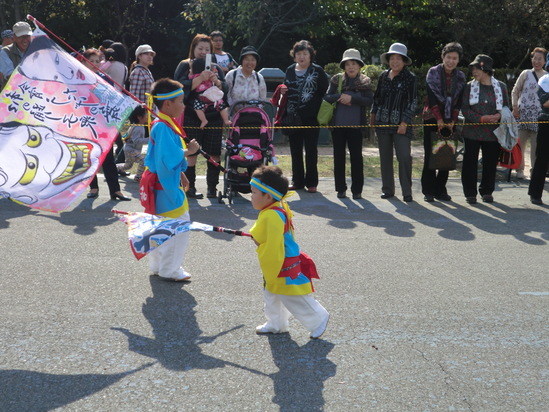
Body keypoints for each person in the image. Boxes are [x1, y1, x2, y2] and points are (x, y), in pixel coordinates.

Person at [249, 165, 329, 339]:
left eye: (254, 192)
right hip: (284, 258)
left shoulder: (270, 215)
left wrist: (257, 240)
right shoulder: (277, 206)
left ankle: (318, 318)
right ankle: (276, 323)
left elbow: (267, 242)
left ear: (268, 196)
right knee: (272, 293)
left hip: (281, 262)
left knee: (291, 295)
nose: (251, 196)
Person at [144, 78, 200, 281]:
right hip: (165, 188)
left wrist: (182, 175)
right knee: (179, 228)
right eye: (180, 101)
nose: (183, 105)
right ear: (167, 103)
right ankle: (170, 269)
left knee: (162, 227)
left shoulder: (161, 124)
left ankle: (159, 266)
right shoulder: (164, 127)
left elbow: (162, 159)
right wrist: (190, 151)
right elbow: (168, 158)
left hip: (159, 186)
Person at [174, 33, 227, 199]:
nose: (204, 52)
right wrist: (199, 79)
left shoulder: (215, 67)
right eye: (200, 48)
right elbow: (179, 88)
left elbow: (225, 89)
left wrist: (216, 81)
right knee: (191, 152)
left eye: (207, 49)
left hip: (214, 115)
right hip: (192, 115)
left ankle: (212, 188)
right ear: (193, 49)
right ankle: (190, 188)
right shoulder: (185, 65)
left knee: (214, 152)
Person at [78, 48, 131, 201]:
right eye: (90, 61)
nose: (94, 64)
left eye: (97, 61)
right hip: (85, 123)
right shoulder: (78, 79)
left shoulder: (105, 79)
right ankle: (93, 187)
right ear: (83, 62)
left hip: (103, 123)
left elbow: (112, 98)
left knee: (108, 157)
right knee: (90, 157)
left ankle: (116, 190)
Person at [370, 42, 418, 202]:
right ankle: (388, 190)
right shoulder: (383, 76)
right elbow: (376, 98)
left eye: (399, 58)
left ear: (404, 61)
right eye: (392, 58)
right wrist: (372, 114)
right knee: (385, 157)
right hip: (382, 122)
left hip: (401, 125)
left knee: (404, 157)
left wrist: (405, 122)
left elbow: (413, 102)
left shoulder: (410, 78)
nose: (395, 61)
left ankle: (407, 191)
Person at [323, 48, 373, 199]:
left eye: (354, 63)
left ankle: (357, 190)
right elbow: (327, 97)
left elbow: (369, 100)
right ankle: (340, 189)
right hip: (337, 125)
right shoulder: (336, 80)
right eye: (348, 64)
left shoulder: (365, 81)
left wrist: (352, 99)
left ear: (359, 66)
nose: (351, 67)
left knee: (357, 158)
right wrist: (340, 96)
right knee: (338, 157)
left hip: (356, 126)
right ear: (344, 66)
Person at [461, 54, 509, 204]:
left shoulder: (501, 86)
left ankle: (487, 191)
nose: (474, 71)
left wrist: (498, 115)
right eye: (473, 68)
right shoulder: (469, 86)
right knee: (469, 162)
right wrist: (480, 118)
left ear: (486, 70)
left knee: (490, 163)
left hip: (493, 133)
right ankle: (470, 193)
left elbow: (506, 107)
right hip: (471, 131)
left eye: (477, 68)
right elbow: (465, 109)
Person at [421, 42, 466, 202]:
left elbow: (459, 100)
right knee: (431, 154)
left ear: (458, 60)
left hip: (450, 119)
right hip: (432, 117)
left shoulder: (460, 76)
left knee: (446, 154)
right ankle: (428, 190)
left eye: (454, 58)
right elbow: (431, 96)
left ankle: (441, 189)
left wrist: (452, 120)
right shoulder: (433, 72)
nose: (451, 61)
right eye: (448, 57)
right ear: (443, 57)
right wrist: (439, 118)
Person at [281, 40, 328, 193]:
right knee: (295, 150)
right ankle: (297, 181)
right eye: (298, 54)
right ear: (294, 56)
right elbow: (285, 87)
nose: (301, 57)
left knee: (311, 150)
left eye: (305, 54)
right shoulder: (289, 70)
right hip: (292, 116)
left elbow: (324, 92)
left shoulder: (317, 71)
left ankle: (312, 182)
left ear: (310, 55)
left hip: (311, 117)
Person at [511, 47, 548, 179]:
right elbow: (515, 91)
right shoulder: (525, 73)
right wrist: (515, 107)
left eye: (540, 59)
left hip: (539, 117)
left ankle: (535, 172)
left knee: (536, 147)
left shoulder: (546, 77)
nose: (536, 61)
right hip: (522, 115)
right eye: (534, 58)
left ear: (545, 61)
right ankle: (519, 170)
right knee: (519, 144)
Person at [103, 42, 129, 164]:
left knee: (111, 130)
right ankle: (120, 154)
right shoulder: (124, 67)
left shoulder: (110, 65)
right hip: (119, 99)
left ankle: (116, 155)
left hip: (108, 99)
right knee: (115, 128)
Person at [528, 60, 549, 205]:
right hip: (546, 122)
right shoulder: (545, 80)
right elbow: (546, 102)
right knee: (542, 158)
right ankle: (535, 193)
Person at [188, 57, 231, 128]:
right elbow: (215, 75)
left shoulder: (194, 76)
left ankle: (204, 120)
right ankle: (226, 120)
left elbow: (190, 78)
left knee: (197, 108)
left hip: (202, 97)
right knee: (222, 106)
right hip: (213, 95)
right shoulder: (210, 74)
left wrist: (190, 71)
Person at [117, 105, 148, 182]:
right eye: (146, 114)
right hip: (131, 149)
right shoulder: (138, 128)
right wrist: (149, 140)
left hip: (129, 148)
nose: (148, 116)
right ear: (139, 117)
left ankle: (114, 168)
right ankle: (138, 177)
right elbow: (136, 141)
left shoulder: (137, 125)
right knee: (143, 160)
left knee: (128, 166)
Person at [0, 22, 32, 91]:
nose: (25, 39)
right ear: (14, 37)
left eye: (27, 36)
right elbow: (11, 77)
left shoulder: (36, 51)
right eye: (21, 36)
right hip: (13, 96)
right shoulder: (5, 52)